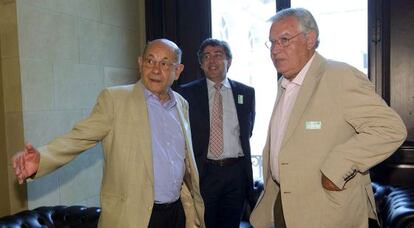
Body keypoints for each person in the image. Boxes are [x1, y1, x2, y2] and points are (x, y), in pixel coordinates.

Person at [12, 39, 205, 228]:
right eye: (150, 61)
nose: (155, 69)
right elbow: (79, 137)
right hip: (137, 217)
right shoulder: (115, 99)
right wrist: (42, 158)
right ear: (140, 63)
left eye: (164, 63)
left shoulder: (181, 104)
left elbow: (183, 160)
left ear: (177, 71)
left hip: (177, 213)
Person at [249, 8, 407, 228]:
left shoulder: (339, 76)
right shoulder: (285, 84)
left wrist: (337, 168)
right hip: (284, 206)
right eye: (272, 42)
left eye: (284, 40)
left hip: (327, 212)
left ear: (310, 39)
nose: (275, 50)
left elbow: (390, 128)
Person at [177, 38, 255, 228]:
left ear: (229, 61)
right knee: (204, 223)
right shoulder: (186, 93)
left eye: (218, 55)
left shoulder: (246, 92)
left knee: (231, 223)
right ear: (201, 64)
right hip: (204, 172)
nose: (212, 61)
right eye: (206, 56)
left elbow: (248, 130)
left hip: (236, 173)